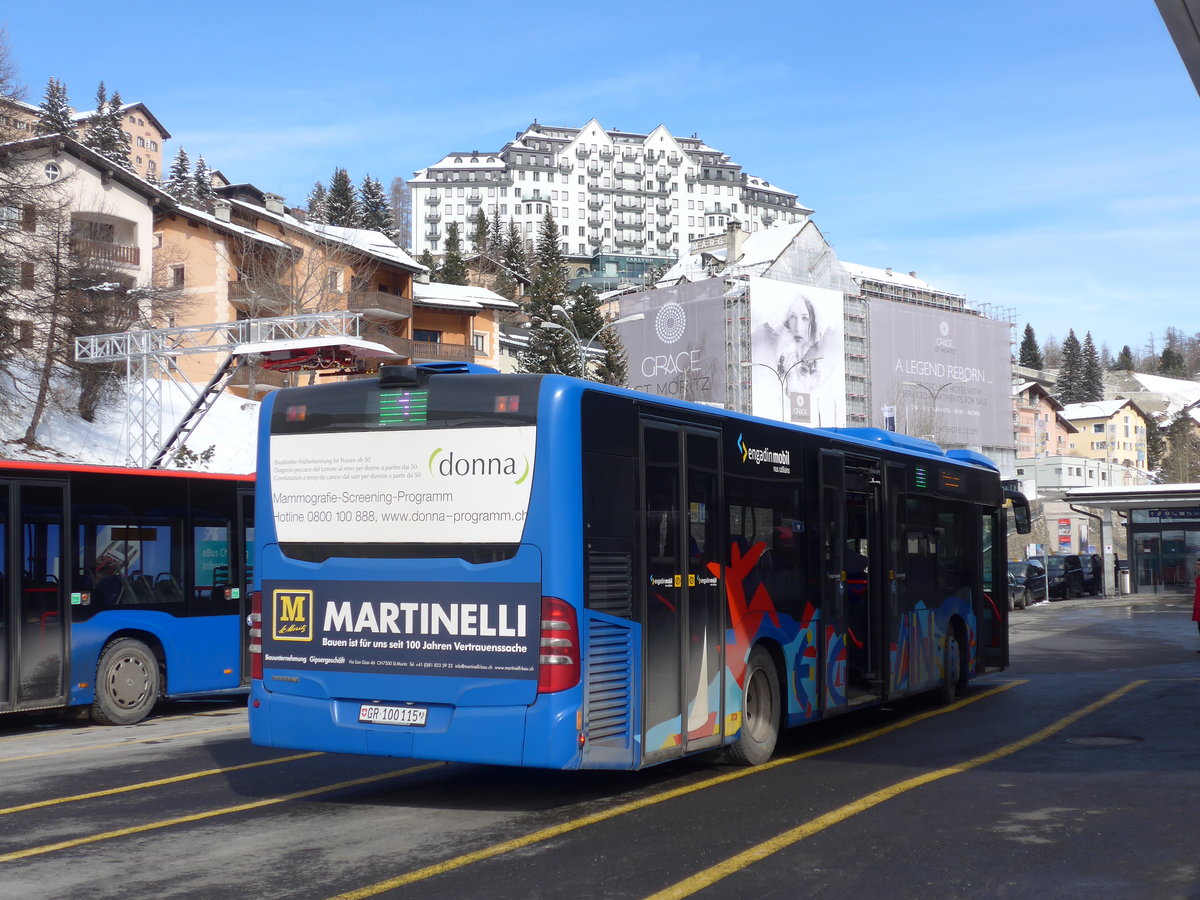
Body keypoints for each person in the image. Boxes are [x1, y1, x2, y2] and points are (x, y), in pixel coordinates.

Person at [1193, 559, 1200, 652]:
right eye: (1196, 564)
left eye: (1198, 564)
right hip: (1198, 604)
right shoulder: (1198, 575)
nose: (1196, 565)